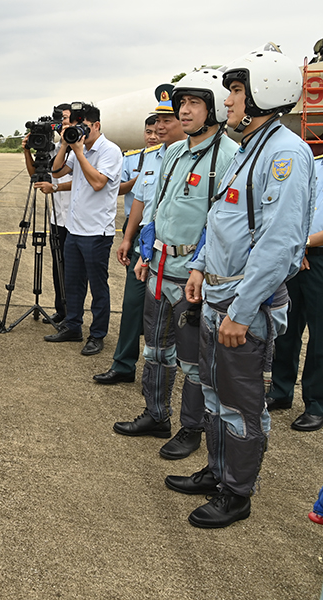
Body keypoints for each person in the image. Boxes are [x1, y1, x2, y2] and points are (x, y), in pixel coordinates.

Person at [166, 48, 315, 528]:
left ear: (265, 92)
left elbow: (279, 247)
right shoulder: (251, 147)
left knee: (241, 405)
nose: (228, 101)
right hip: (216, 295)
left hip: (243, 305)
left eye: (234, 90)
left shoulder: (284, 154)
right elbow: (224, 220)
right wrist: (199, 269)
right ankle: (216, 469)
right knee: (214, 394)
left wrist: (243, 311)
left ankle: (236, 493)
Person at [113, 71, 239, 462]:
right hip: (159, 267)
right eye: (181, 104)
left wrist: (200, 268)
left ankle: (191, 428)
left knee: (193, 362)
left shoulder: (228, 156)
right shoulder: (171, 152)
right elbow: (157, 207)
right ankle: (155, 414)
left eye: (193, 104)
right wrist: (146, 255)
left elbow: (221, 222)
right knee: (155, 350)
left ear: (213, 108)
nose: (183, 111)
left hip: (192, 277)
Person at [93, 112, 170, 385]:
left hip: (177, 245)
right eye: (156, 123)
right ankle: (124, 364)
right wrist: (127, 238)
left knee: (172, 310)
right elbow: (139, 200)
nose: (158, 128)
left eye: (166, 121)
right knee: (133, 303)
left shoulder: (197, 157)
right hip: (143, 239)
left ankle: (164, 371)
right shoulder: (147, 157)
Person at [43, 103, 122, 355]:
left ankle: (97, 334)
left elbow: (98, 182)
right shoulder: (80, 149)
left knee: (98, 287)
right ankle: (73, 326)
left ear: (96, 125)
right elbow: (55, 172)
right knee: (73, 283)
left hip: (96, 231)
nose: (81, 132)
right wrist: (66, 144)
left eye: (84, 128)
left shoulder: (110, 151)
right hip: (74, 228)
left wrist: (78, 152)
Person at [266, 153, 323, 430]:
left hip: (316, 256)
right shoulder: (313, 164)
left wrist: (303, 244)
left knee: (320, 337)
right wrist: (297, 248)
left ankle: (316, 404)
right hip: (297, 255)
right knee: (286, 329)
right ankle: (280, 389)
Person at [25, 103, 73, 323]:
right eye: (60, 119)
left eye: (66, 118)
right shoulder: (50, 148)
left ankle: (74, 315)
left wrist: (55, 187)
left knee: (74, 271)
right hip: (57, 218)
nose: (63, 123)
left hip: (76, 219)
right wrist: (28, 151)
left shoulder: (80, 148)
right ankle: (61, 311)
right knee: (58, 267)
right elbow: (37, 174)